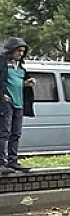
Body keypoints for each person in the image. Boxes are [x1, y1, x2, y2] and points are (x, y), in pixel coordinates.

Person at [0, 38, 34, 174]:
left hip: (19, 104)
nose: (20, 54)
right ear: (11, 49)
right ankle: (1, 162)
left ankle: (12, 161)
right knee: (4, 133)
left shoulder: (20, 67)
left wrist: (27, 84)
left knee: (16, 133)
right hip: (6, 103)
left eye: (23, 52)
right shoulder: (2, 64)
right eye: (18, 50)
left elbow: (16, 83)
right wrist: (2, 95)